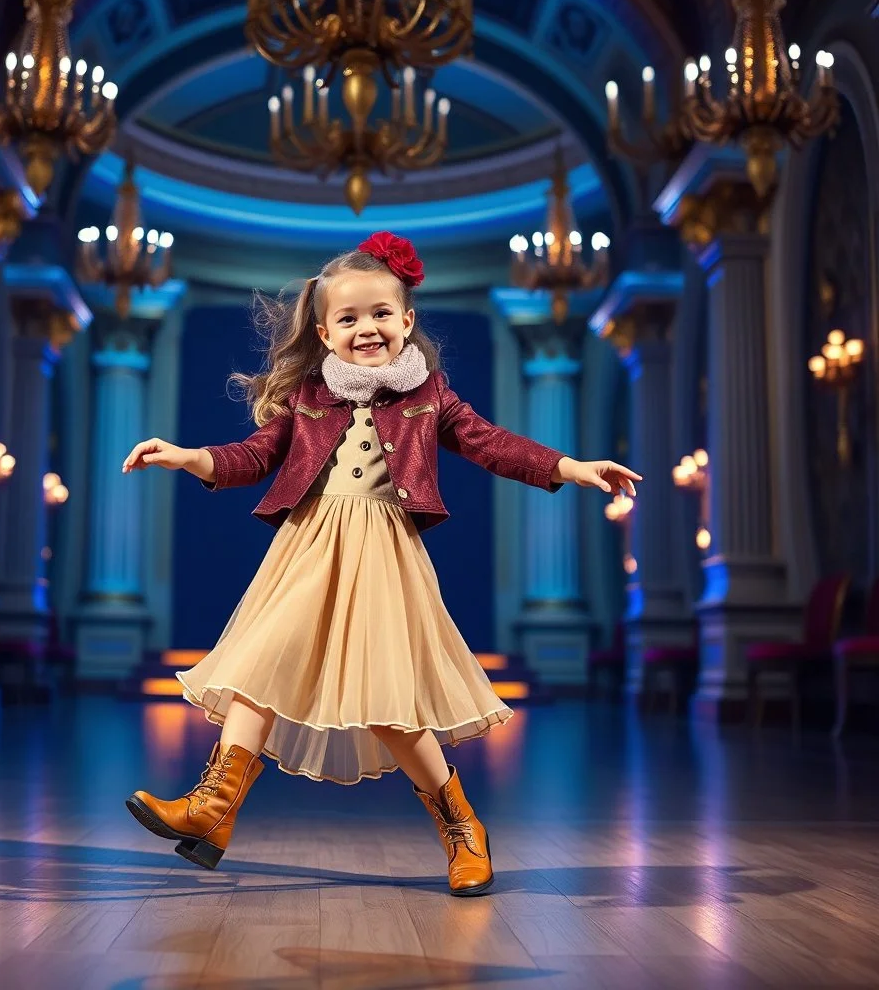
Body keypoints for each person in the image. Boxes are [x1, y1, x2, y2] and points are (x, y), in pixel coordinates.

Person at [121, 231, 641, 896]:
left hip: (384, 554)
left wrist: (569, 467)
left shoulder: (429, 395)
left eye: (380, 315)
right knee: (261, 661)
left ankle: (462, 828)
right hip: (309, 547)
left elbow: (491, 444)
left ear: (406, 321)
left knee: (389, 705)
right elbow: (253, 455)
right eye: (349, 318)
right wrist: (192, 456)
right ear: (324, 331)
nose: (367, 328)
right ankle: (213, 807)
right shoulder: (309, 395)